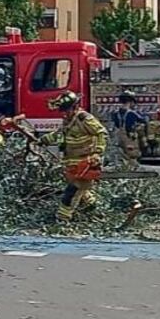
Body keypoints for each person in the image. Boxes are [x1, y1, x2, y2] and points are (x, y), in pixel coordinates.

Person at [40, 91, 108, 222]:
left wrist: (97, 152)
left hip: (86, 163)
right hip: (72, 164)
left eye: (67, 110)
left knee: (72, 192)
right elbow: (60, 134)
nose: (65, 113)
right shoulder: (68, 120)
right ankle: (95, 213)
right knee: (83, 193)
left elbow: (101, 133)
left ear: (75, 107)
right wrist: (44, 140)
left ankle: (62, 218)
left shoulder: (84, 119)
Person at [110, 91, 146, 171]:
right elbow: (143, 120)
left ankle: (123, 169)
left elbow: (114, 125)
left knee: (123, 154)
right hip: (130, 137)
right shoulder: (132, 113)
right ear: (130, 102)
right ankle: (133, 170)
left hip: (119, 137)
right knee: (132, 154)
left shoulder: (115, 113)